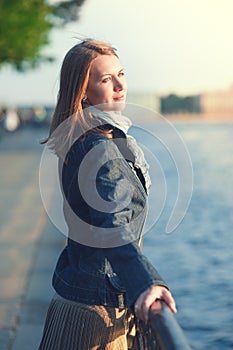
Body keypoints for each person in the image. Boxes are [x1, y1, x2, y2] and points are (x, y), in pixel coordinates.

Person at [39, 39, 177, 350]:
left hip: (81, 299)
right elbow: (112, 227)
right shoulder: (98, 148)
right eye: (105, 79)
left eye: (121, 74)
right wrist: (146, 283)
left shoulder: (89, 137)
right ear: (83, 92)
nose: (119, 85)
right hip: (95, 315)